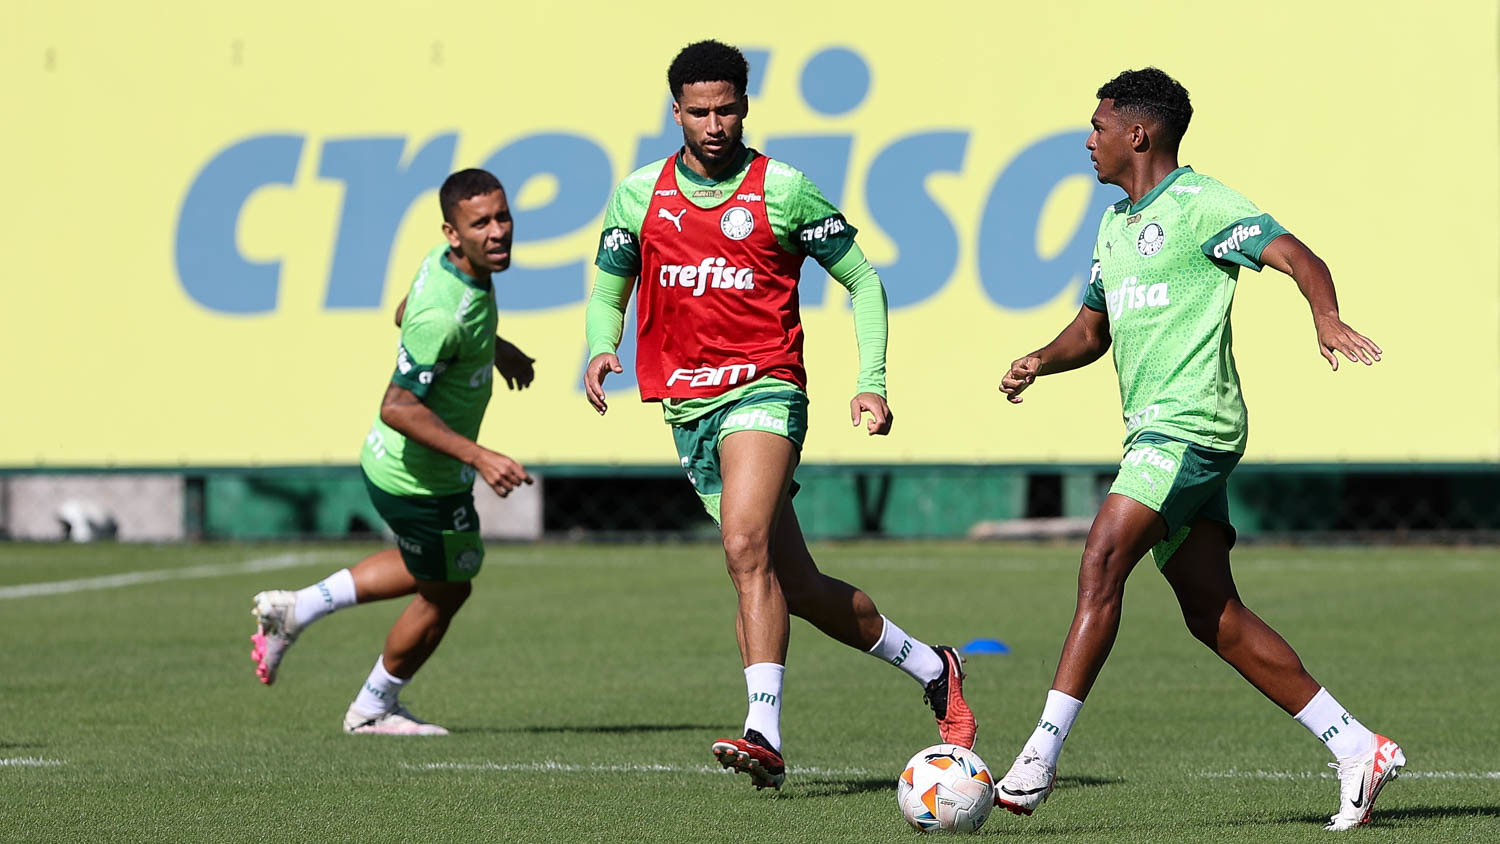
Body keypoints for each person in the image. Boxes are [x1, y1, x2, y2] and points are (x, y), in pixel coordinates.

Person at [993, 68, 1401, 831]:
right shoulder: (1115, 224)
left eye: (1099, 126)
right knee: (1212, 612)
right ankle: (1356, 747)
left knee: (1102, 558)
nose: (1090, 139)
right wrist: (1040, 360)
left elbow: (1296, 254)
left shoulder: (1200, 204)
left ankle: (1038, 759)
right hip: (1157, 432)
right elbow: (1092, 329)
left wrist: (1326, 314)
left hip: (1192, 427)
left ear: (1137, 134)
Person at [582, 39, 975, 790]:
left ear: (745, 106)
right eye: (698, 111)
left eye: (726, 108)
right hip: (687, 404)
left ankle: (763, 728)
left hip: (766, 388)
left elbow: (863, 281)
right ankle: (935, 666)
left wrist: (872, 381)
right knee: (787, 581)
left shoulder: (783, 188)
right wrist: (602, 347)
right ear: (676, 113)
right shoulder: (638, 195)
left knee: (743, 544)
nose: (714, 123)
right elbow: (610, 288)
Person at [249, 168, 534, 735]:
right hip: (421, 479)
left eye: (502, 216)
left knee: (429, 568)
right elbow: (398, 406)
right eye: (482, 223)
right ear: (453, 233)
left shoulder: (449, 266)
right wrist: (479, 456)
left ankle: (296, 608)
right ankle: (372, 709)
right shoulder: (445, 311)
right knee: (448, 588)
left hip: (403, 471)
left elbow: (403, 311)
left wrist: (493, 349)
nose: (498, 231)